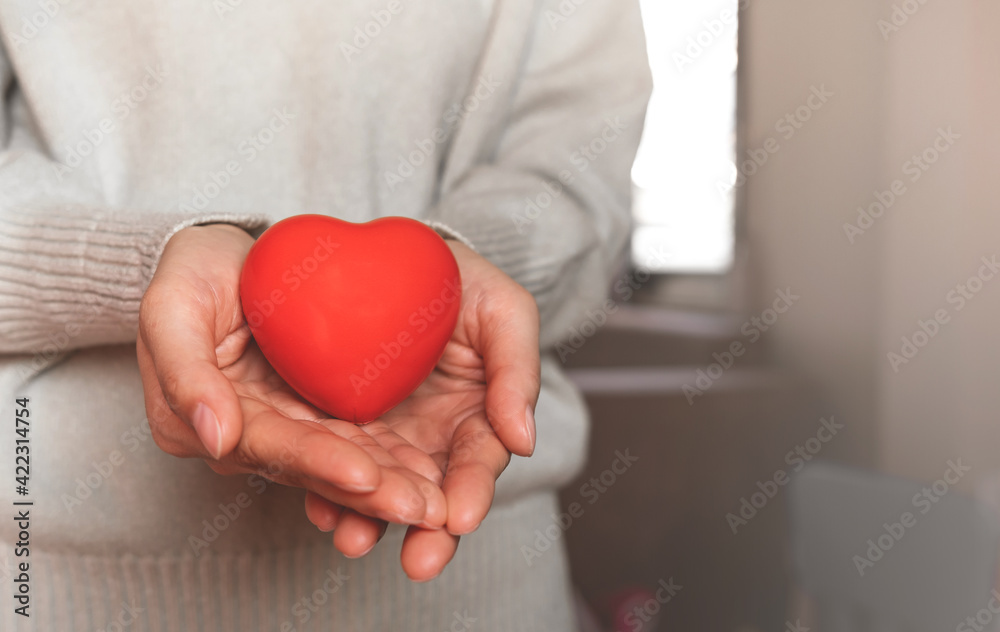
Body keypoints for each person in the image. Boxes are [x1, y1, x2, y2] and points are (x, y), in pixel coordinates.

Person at [0, 0, 651, 629]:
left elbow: (581, 181)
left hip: (482, 574)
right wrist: (140, 270)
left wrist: (463, 270)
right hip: (57, 583)